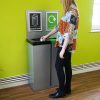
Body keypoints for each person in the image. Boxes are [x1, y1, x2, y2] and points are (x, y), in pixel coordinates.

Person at [40, 0, 79, 98]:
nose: (60, 1)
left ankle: (62, 91)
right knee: (67, 66)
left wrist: (62, 50)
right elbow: (58, 27)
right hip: (66, 45)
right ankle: (67, 88)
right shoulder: (70, 11)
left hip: (65, 45)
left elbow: (69, 33)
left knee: (58, 67)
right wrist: (46, 36)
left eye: (62, 0)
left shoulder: (72, 13)